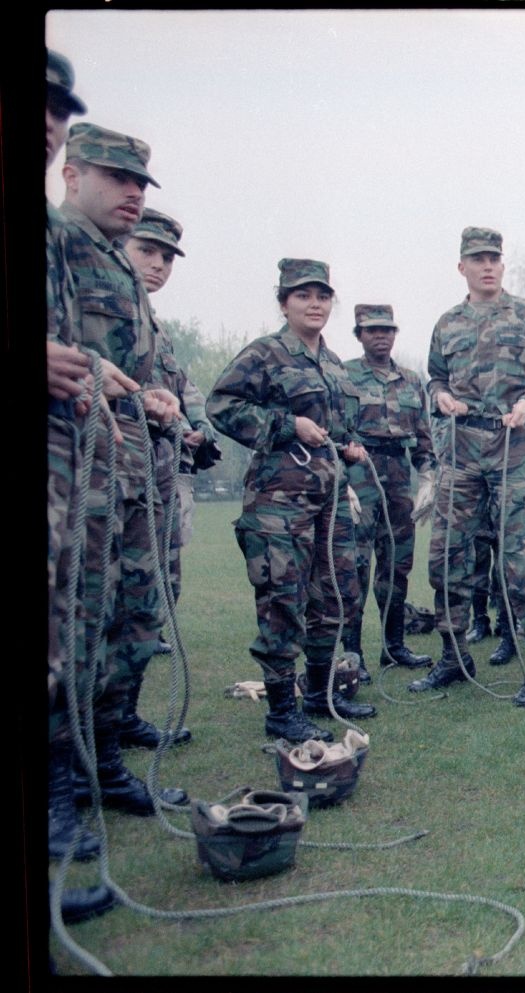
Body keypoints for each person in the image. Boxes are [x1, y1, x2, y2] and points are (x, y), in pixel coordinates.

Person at [56, 123, 190, 819]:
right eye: (118, 179)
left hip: (130, 472)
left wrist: (151, 394)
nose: (133, 194)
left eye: (141, 182)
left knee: (133, 621)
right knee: (75, 624)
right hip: (73, 473)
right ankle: (62, 784)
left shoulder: (116, 266)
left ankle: (104, 763)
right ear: (72, 174)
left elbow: (130, 373)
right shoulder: (54, 240)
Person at [207, 259, 378, 740]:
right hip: (279, 503)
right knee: (283, 601)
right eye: (303, 295)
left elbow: (338, 425)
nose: (315, 303)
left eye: (323, 295)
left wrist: (348, 444)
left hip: (330, 499)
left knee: (333, 597)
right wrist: (286, 425)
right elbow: (221, 405)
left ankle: (321, 695)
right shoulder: (264, 354)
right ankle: (282, 712)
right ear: (284, 303)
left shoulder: (333, 363)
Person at [417, 227, 525, 707]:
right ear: (461, 266)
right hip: (460, 450)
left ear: (503, 265)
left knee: (523, 558)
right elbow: (435, 378)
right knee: (448, 558)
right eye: (477, 258)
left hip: (514, 448)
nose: (487, 266)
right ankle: (454, 656)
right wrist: (439, 396)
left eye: (494, 258)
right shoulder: (447, 323)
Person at [44, 47, 117, 924]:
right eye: (114, 174)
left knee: (67, 635)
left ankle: (71, 787)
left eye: (57, 106)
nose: (48, 117)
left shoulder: (66, 245)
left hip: (73, 470)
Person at [120, 208, 215, 747]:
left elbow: (185, 388)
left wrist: (194, 426)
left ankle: (120, 720)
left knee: (142, 602)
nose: (157, 266)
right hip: (104, 479)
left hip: (152, 479)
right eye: (146, 251)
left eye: (166, 258)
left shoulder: (152, 326)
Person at [341, 304, 435, 673]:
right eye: (372, 330)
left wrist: (428, 477)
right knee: (357, 565)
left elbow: (424, 438)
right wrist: (341, 478)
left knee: (397, 565)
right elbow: (334, 430)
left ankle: (394, 646)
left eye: (388, 330)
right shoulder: (343, 375)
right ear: (359, 335)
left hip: (398, 475)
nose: (381, 336)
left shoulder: (411, 380)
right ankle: (353, 655)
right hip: (359, 473)